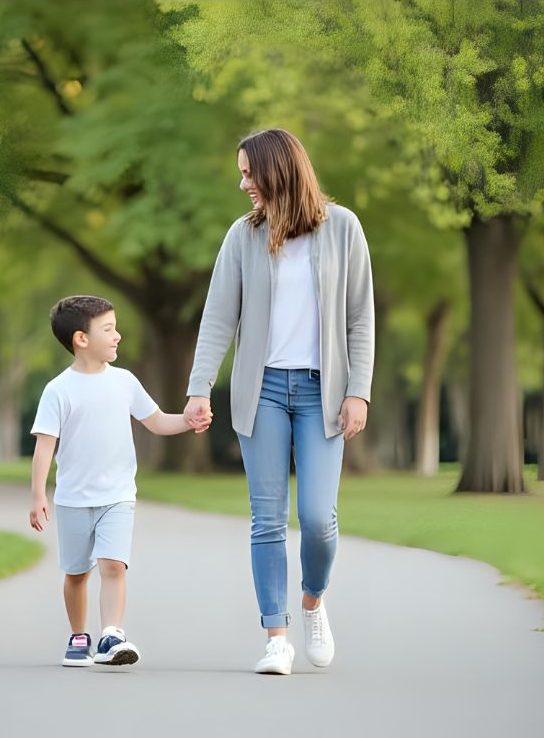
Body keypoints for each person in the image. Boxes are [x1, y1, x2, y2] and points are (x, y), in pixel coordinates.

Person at [184, 129, 375, 675]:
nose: (242, 183)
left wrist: (358, 389)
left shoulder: (343, 229)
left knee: (317, 518)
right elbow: (219, 316)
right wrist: (199, 388)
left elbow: (360, 316)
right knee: (267, 520)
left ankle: (313, 599)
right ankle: (276, 636)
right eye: (241, 173)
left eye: (250, 173)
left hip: (324, 392)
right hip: (262, 390)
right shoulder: (242, 236)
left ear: (279, 171)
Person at [30, 295, 209, 668]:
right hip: (74, 499)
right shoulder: (58, 390)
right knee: (77, 573)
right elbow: (45, 447)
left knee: (113, 566)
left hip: (118, 496)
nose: (118, 337)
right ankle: (79, 636)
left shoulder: (125, 382)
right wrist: (38, 496)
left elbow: (156, 421)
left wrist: (187, 421)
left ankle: (112, 634)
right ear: (81, 339)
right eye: (108, 330)